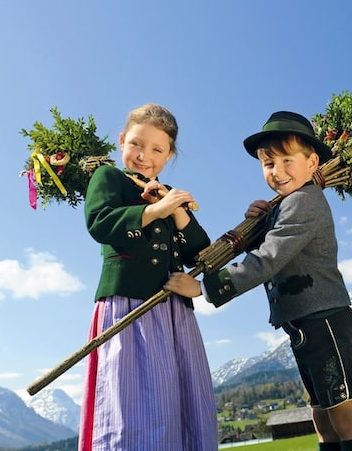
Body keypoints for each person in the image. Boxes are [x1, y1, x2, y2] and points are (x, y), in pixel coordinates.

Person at [165, 111, 352, 451]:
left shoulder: (305, 203)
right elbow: (272, 242)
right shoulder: (285, 206)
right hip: (306, 323)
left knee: (344, 414)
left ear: (312, 162)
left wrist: (205, 287)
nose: (277, 172)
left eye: (287, 160)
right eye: (268, 164)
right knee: (321, 414)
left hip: (325, 321)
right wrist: (259, 222)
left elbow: (270, 258)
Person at [79, 103, 217, 451]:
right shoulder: (108, 177)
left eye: (157, 149)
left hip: (173, 313)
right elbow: (100, 222)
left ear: (169, 155)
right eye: (137, 144)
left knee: (178, 399)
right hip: (128, 308)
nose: (144, 156)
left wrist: (179, 211)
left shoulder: (167, 194)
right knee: (133, 404)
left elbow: (199, 252)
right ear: (122, 140)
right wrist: (155, 210)